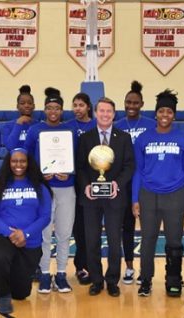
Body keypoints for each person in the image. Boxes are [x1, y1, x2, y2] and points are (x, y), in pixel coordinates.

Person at [132, 89, 184, 297]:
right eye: (161, 111)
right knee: (148, 239)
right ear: (156, 113)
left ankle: (173, 279)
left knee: (174, 240)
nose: (165, 115)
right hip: (148, 195)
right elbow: (138, 170)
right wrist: (134, 198)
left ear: (174, 114)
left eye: (169, 111)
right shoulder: (143, 138)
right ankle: (146, 279)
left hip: (175, 195)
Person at [75, 97, 134, 297]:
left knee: (114, 240)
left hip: (115, 197)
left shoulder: (124, 138)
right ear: (95, 113)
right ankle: (97, 280)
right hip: (91, 198)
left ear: (114, 114)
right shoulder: (86, 138)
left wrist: (118, 183)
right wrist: (86, 186)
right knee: (91, 241)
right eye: (101, 111)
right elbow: (81, 167)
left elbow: (129, 166)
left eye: (109, 111)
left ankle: (112, 281)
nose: (105, 114)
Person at [23, 87, 79, 294]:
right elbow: (24, 159)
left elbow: (77, 158)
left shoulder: (70, 130)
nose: (53, 111)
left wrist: (70, 174)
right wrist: (38, 175)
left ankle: (62, 273)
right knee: (45, 234)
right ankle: (45, 273)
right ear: (44, 110)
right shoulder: (35, 130)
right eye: (49, 108)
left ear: (62, 110)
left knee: (64, 233)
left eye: (56, 108)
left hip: (66, 188)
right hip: (43, 189)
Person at [0, 148, 51, 315]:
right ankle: (2, 293)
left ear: (28, 163)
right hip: (3, 237)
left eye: (22, 161)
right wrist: (10, 233)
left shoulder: (40, 188)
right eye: (14, 161)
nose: (18, 164)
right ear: (8, 163)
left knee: (21, 294)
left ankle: (4, 278)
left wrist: (25, 233)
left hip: (30, 241)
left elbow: (45, 217)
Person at [114, 81, 154, 285]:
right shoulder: (118, 126)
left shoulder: (150, 125)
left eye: (135, 102)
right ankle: (129, 267)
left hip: (146, 182)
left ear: (142, 104)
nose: (131, 105)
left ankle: (146, 270)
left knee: (148, 227)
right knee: (127, 226)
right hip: (125, 183)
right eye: (128, 102)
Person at [68, 92, 95, 285]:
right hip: (73, 182)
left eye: (81, 105)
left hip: (94, 181)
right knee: (79, 228)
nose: (78, 108)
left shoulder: (97, 126)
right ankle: (80, 266)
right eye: (75, 105)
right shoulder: (67, 126)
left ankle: (94, 265)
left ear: (88, 107)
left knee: (93, 227)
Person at [4, 85, 37, 151]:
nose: (26, 105)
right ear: (17, 106)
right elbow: (10, 147)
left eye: (29, 103)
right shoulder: (8, 126)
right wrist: (18, 124)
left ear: (33, 106)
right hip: (17, 160)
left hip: (33, 160)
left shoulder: (38, 125)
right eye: (22, 103)